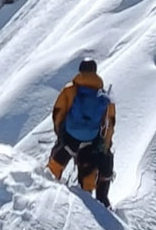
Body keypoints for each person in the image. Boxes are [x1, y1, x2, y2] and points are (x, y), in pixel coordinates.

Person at [46, 58, 116, 207]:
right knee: (88, 169)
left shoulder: (70, 90)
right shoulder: (103, 96)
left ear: (80, 70)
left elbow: (58, 112)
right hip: (91, 139)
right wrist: (106, 144)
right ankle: (88, 199)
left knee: (59, 158)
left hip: (70, 135)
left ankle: (46, 183)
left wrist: (61, 133)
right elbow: (109, 122)